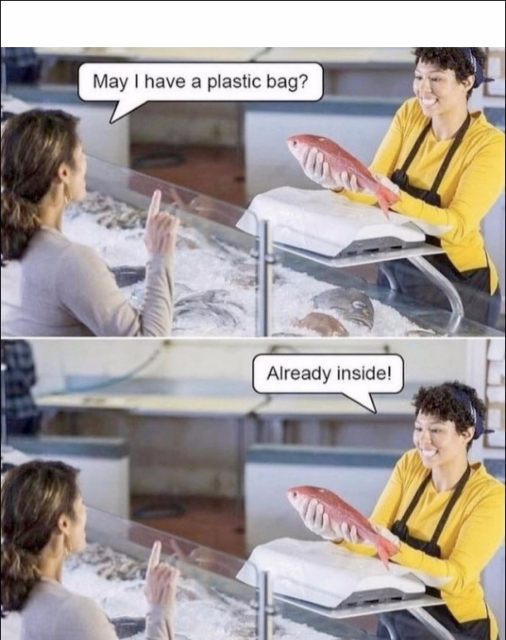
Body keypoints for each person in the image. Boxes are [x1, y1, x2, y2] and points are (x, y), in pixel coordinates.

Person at [300, 48, 505, 328]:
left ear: (466, 82)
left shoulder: (490, 145)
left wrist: (394, 197)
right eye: (418, 76)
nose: (423, 88)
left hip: (459, 289)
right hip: (397, 271)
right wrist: (335, 184)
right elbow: (374, 184)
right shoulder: (410, 113)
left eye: (436, 79)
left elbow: (457, 225)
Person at [297, 381, 505, 640]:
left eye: (436, 430)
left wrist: (396, 549)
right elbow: (373, 537)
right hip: (397, 618)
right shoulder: (410, 465)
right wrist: (335, 534)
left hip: (455, 630)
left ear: (466, 434)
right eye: (419, 428)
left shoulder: (490, 496)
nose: (423, 440)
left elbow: (458, 577)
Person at [1, 109, 179, 337]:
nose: (85, 162)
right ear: (63, 172)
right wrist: (160, 254)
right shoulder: (69, 261)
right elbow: (149, 346)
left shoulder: (13, 242)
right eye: (81, 153)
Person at [1, 460, 180, 639]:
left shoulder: (12, 599)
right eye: (81, 504)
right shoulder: (74, 612)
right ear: (63, 524)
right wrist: (160, 609)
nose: (86, 513)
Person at [1, 340, 41, 436]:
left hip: (18, 413)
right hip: (26, 410)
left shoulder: (23, 346)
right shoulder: (24, 346)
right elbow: (31, 380)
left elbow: (32, 379)